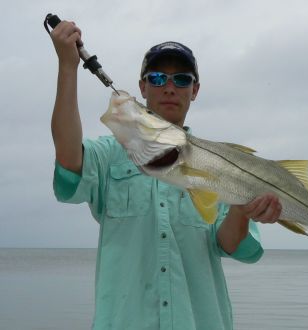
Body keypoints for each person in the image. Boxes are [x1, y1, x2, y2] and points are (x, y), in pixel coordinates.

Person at [50, 20, 282, 330]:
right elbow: (68, 159)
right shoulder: (109, 154)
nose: (169, 87)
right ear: (142, 87)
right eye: (158, 78)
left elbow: (228, 244)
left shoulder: (220, 166)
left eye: (181, 79)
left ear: (194, 90)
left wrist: (242, 209)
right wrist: (67, 68)